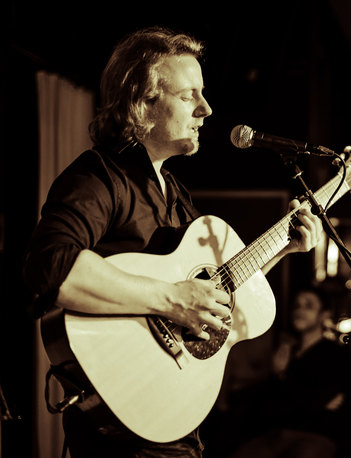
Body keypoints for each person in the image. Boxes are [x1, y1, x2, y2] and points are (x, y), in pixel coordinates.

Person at [22, 26, 323, 458]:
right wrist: (170, 299)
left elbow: (216, 288)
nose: (206, 109)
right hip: (119, 434)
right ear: (142, 102)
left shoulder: (176, 193)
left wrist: (284, 248)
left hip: (176, 423)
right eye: (189, 96)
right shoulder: (99, 177)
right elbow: (49, 267)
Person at [226, 286, 351, 458]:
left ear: (324, 314)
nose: (299, 311)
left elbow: (318, 400)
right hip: (275, 433)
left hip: (315, 435)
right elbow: (271, 402)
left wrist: (283, 378)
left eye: (308, 306)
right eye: (297, 305)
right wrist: (279, 377)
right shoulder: (286, 351)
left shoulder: (334, 353)